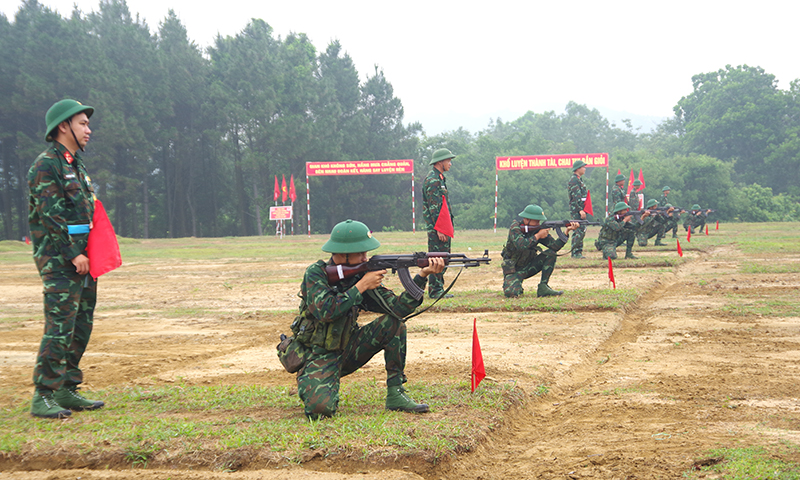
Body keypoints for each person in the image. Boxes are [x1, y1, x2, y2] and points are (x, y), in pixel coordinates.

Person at [292, 219, 445, 419]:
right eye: (361, 253)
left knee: (394, 324)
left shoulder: (361, 276)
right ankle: (311, 380)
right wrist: (361, 286)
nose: (366, 257)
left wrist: (422, 275)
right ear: (343, 253)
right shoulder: (316, 274)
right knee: (320, 411)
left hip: (349, 348)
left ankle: (395, 394)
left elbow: (398, 309)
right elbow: (326, 311)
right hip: (318, 354)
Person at [28, 99, 105, 419]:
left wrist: (91, 251)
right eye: (83, 123)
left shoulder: (75, 164)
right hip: (61, 259)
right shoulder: (47, 165)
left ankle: (67, 388)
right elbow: (50, 215)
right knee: (59, 325)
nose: (89, 129)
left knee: (80, 324)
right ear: (64, 126)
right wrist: (72, 252)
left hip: (84, 258)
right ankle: (43, 394)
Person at [501, 205, 579, 298]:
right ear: (526, 219)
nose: (538, 223)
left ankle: (543, 287)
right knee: (512, 294)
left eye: (539, 220)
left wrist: (566, 232)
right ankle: (515, 284)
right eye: (536, 220)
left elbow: (554, 246)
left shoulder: (538, 230)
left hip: (529, 267)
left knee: (551, 253)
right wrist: (538, 236)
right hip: (513, 270)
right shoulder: (515, 228)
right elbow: (521, 245)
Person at [422, 148, 455, 298]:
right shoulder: (433, 180)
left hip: (440, 226)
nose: (450, 163)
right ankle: (435, 291)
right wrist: (440, 229)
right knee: (438, 259)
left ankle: (437, 288)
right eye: (448, 160)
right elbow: (435, 207)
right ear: (440, 162)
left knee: (444, 257)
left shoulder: (439, 178)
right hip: (437, 228)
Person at [567, 160, 588, 259]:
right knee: (578, 230)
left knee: (581, 230)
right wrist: (580, 210)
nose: (585, 169)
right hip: (577, 210)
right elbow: (576, 197)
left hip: (580, 209)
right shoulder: (574, 180)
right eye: (583, 167)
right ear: (578, 168)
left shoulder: (579, 179)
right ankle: (575, 253)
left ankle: (578, 251)